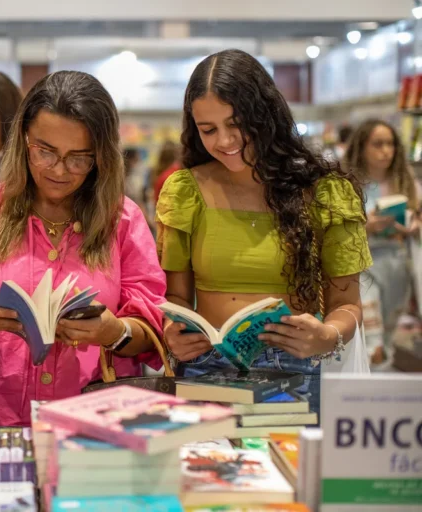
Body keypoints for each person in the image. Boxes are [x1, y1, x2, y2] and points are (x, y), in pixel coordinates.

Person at [0, 71, 167, 427]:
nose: (59, 170)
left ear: (101, 157)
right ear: (22, 140)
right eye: (44, 152)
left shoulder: (122, 221)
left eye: (79, 158)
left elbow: (150, 326)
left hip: (98, 424)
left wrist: (114, 332)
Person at [156, 50, 371, 414]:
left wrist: (327, 336)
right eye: (208, 130)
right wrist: (172, 332)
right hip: (207, 370)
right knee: (209, 469)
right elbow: (176, 298)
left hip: (297, 373)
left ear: (264, 114)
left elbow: (347, 305)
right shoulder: (185, 191)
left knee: (291, 470)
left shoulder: (324, 192)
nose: (224, 141)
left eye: (236, 123)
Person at [344, 119, 422, 366]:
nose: (386, 150)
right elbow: (332, 230)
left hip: (398, 266)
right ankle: (363, 396)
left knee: (387, 338)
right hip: (362, 267)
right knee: (372, 340)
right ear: (362, 147)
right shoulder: (346, 185)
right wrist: (367, 226)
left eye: (390, 144)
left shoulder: (409, 185)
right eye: (378, 144)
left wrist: (414, 225)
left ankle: (380, 395)